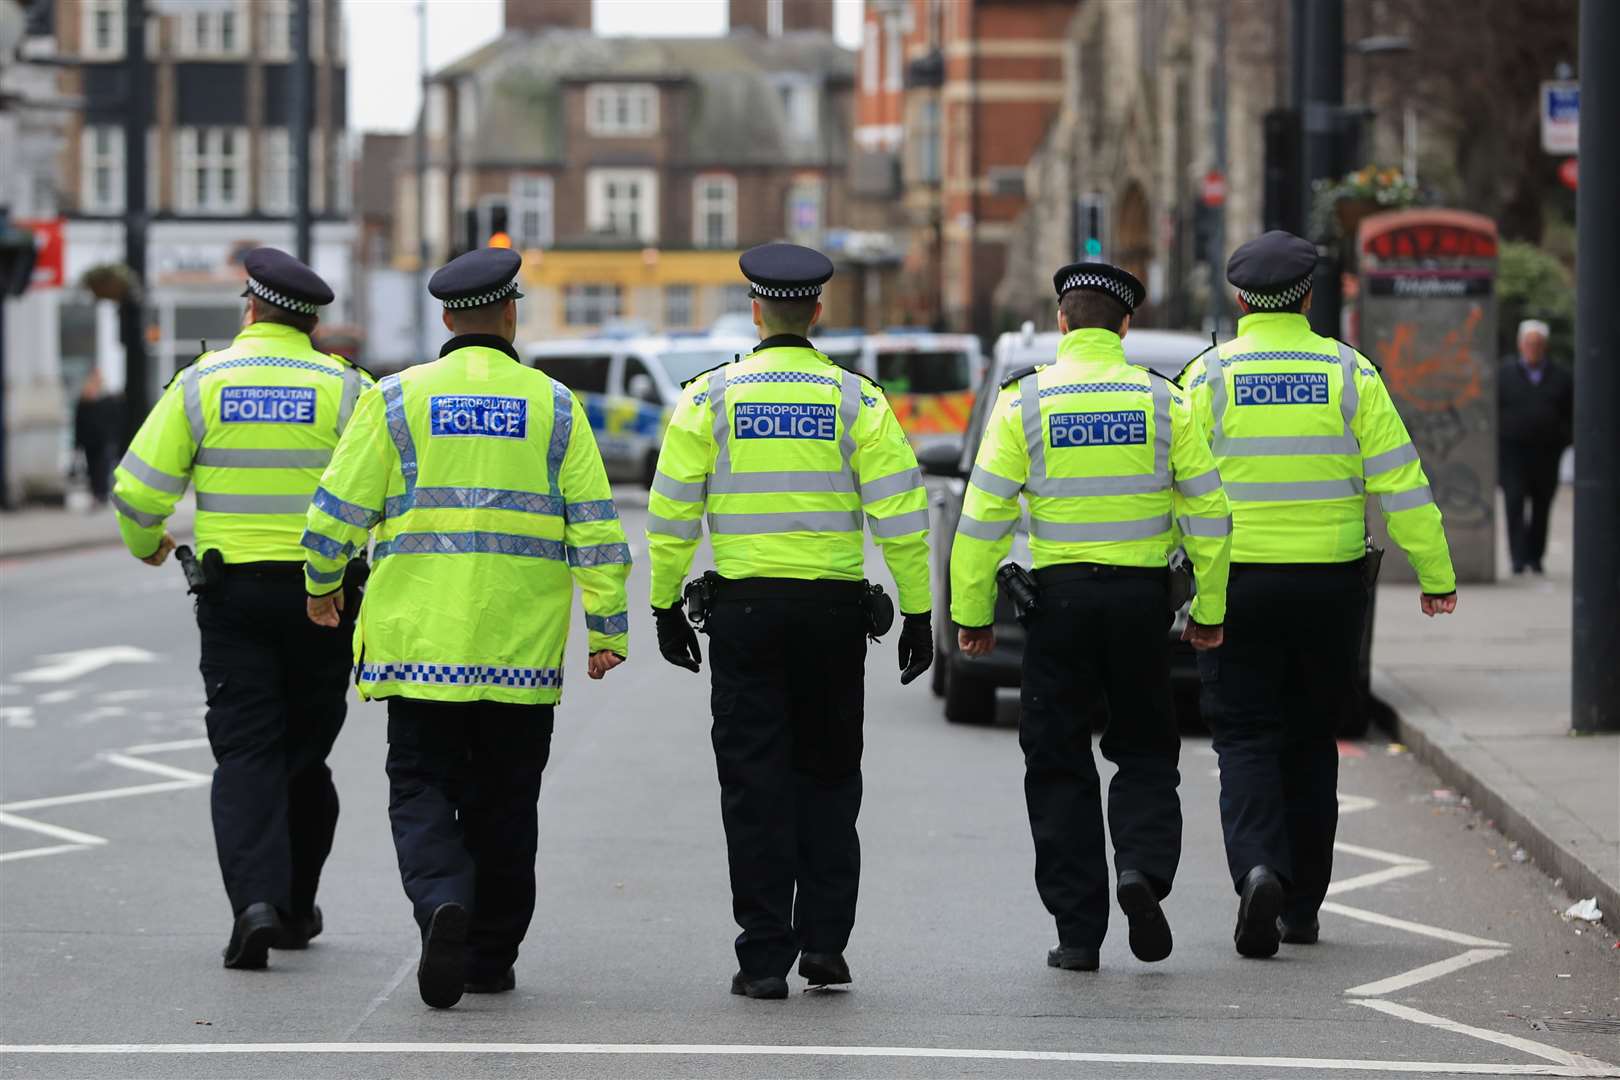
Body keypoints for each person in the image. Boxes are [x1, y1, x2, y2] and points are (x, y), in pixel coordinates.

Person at [302, 247, 630, 1010]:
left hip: (421, 648)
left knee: (420, 786)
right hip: (519, 651)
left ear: (447, 317)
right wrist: (607, 628)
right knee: (508, 802)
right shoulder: (556, 406)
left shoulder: (395, 400)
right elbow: (597, 528)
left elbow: (334, 514)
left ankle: (442, 898)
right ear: (511, 313)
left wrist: (322, 590)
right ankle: (489, 956)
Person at [645, 243, 934, 1000]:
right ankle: (826, 945)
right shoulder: (857, 401)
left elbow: (672, 512)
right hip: (834, 619)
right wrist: (918, 611)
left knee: (754, 786)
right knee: (831, 779)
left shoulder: (707, 398)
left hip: (744, 617)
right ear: (816, 310)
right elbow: (901, 514)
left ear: (754, 309)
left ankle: (764, 957)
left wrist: (663, 603)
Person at [1178, 230, 1458, 958]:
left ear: (1240, 299)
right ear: (1307, 297)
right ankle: (1301, 906)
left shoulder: (1205, 378)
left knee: (1243, 735)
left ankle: (1258, 868)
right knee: (1310, 739)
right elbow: (1401, 479)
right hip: (1330, 588)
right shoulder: (1349, 373)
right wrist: (1436, 574)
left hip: (1237, 584)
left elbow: (1173, 484)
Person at [950, 262, 1232, 973]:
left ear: (1062, 323)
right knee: (1142, 747)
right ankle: (1140, 867)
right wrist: (1209, 607)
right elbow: (1209, 514)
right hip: (1141, 604)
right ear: (1126, 326)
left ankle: (1078, 932)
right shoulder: (1165, 403)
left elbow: (981, 518)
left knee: (1058, 759)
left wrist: (972, 613)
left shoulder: (1024, 404)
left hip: (1058, 606)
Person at [110, 248, 372, 970]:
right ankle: (293, 907)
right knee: (305, 755)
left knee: (247, 752)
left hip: (234, 599)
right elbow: (385, 494)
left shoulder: (202, 383)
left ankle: (254, 905)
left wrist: (148, 543)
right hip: (327, 597)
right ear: (312, 319)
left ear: (250, 308)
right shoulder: (349, 388)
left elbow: (137, 490)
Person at [1498, 319, 1572, 575]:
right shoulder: (1505, 374)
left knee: (1542, 505)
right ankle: (1518, 558)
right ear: (1521, 345)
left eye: (1537, 344)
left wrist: (1564, 439)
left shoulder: (1561, 376)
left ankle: (1535, 556)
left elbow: (1570, 413)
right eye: (1529, 343)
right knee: (1514, 501)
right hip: (1512, 451)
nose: (1533, 348)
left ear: (1545, 346)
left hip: (1547, 452)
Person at [74, 369, 122, 505]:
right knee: (93, 469)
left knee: (103, 468)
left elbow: (114, 421)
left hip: (103, 441)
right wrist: (77, 443)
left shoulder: (107, 400)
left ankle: (102, 494)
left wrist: (114, 438)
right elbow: (79, 423)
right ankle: (97, 493)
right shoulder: (84, 401)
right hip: (90, 442)